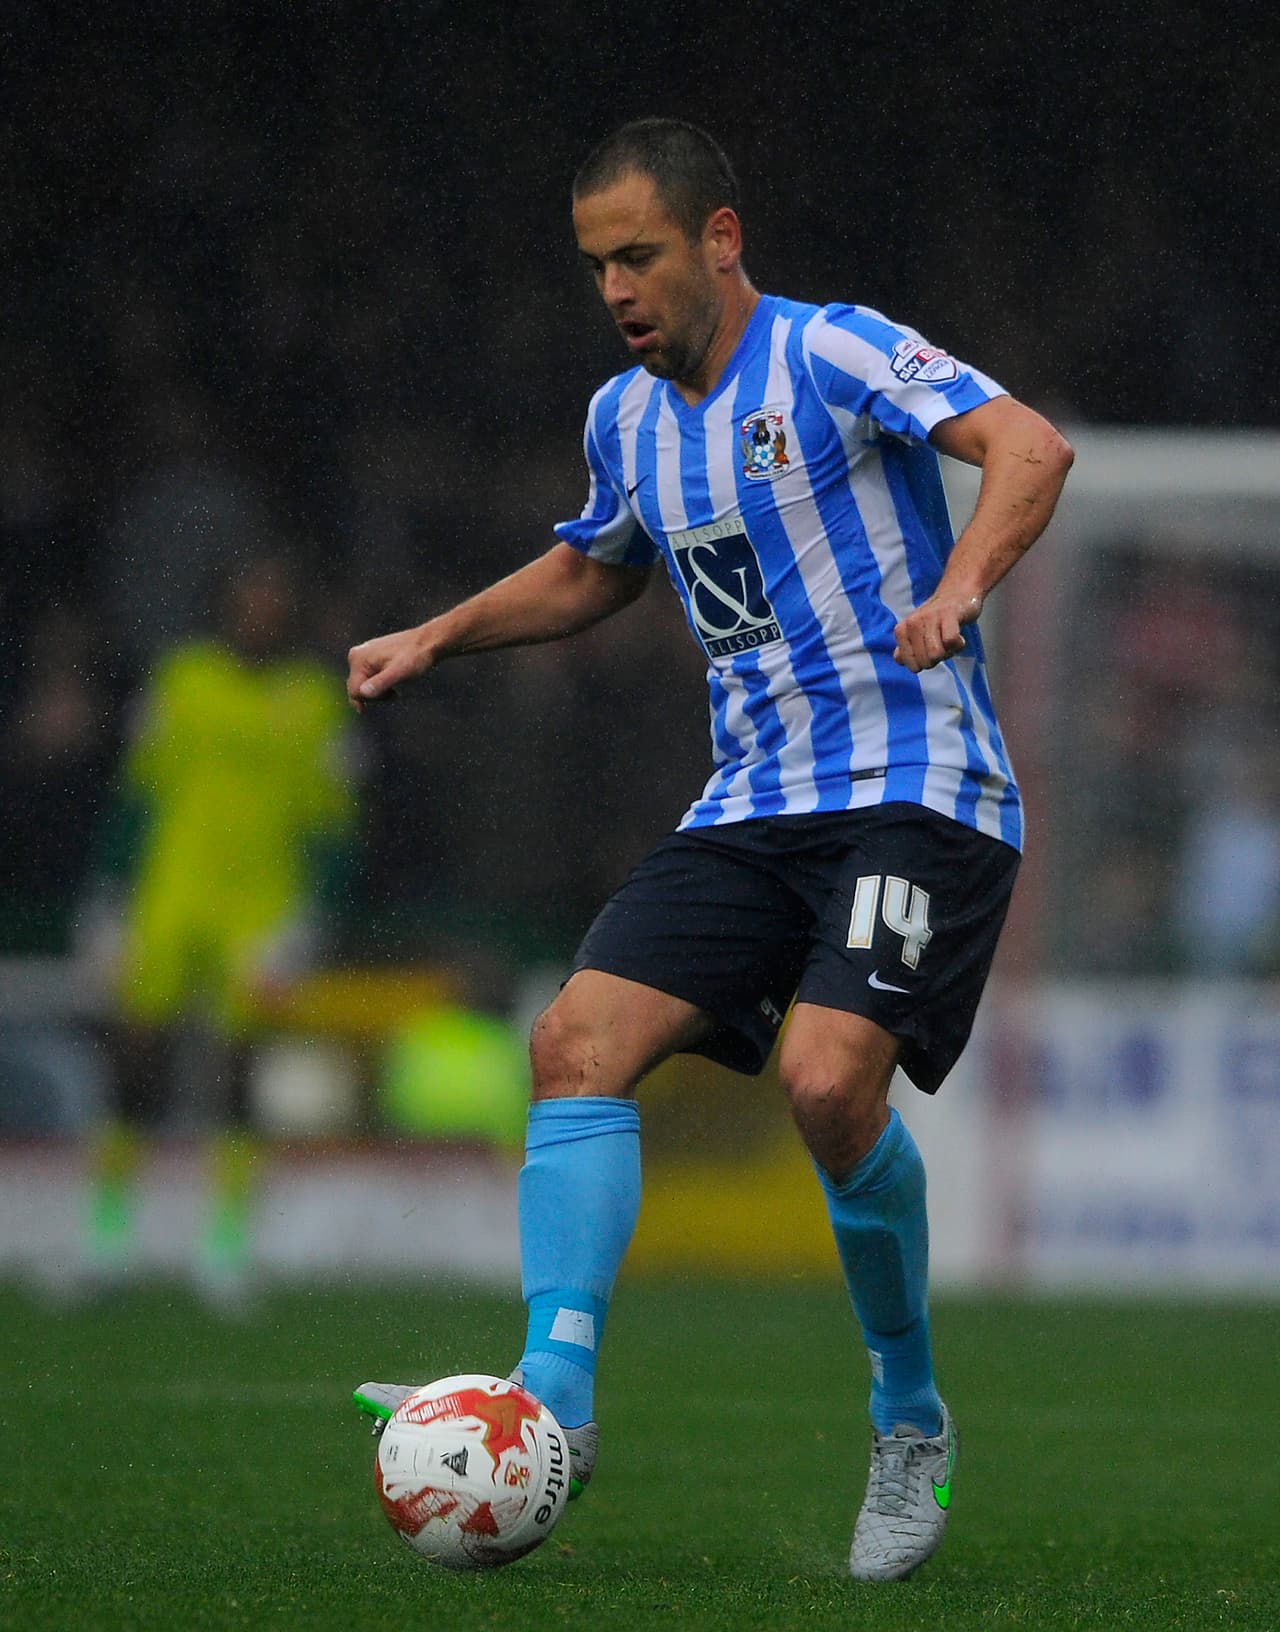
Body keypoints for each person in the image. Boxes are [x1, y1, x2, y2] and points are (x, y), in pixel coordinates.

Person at [347, 118, 1072, 1582]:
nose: (616, 286)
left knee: (824, 1080)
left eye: (640, 255)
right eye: (596, 264)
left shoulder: (832, 354)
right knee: (575, 1040)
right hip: (751, 802)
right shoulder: (625, 416)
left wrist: (959, 582)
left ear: (719, 241)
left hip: (915, 787)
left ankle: (909, 1422)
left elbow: (1029, 445)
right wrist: (441, 633)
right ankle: (553, 1398)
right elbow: (592, 566)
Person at [79, 554, 356, 1306]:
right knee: (134, 1062)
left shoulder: (315, 702)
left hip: (259, 912)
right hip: (167, 899)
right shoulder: (182, 682)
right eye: (249, 598)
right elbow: (136, 793)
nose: (260, 613)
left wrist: (305, 921)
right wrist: (109, 900)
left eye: (273, 600)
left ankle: (225, 1249)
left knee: (239, 1074)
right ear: (226, 607)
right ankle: (105, 1241)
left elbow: (333, 828)